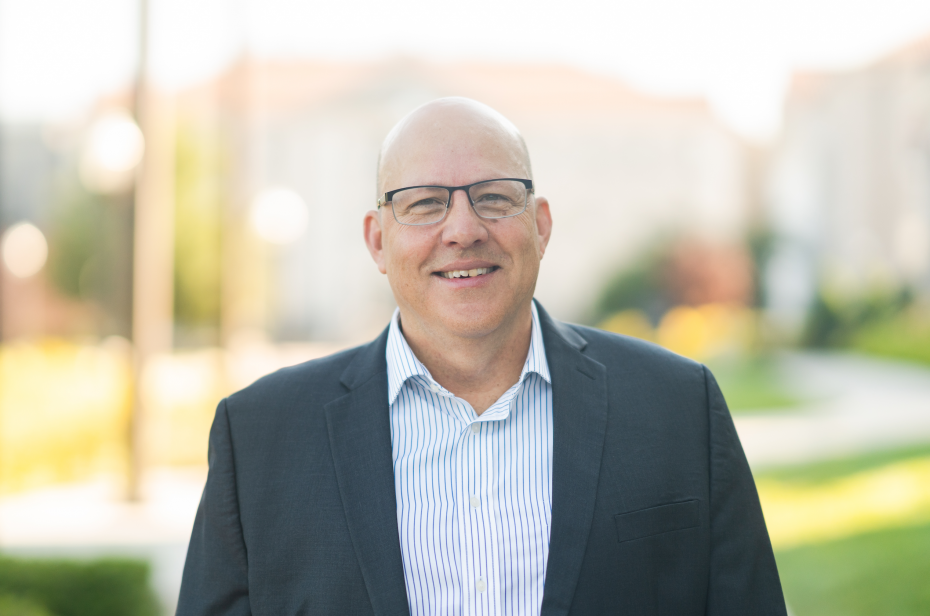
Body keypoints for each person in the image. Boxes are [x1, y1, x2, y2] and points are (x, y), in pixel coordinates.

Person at [177, 97, 787, 615]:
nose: (463, 229)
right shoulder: (259, 437)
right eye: (423, 203)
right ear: (377, 240)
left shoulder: (678, 408)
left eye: (494, 197)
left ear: (541, 226)